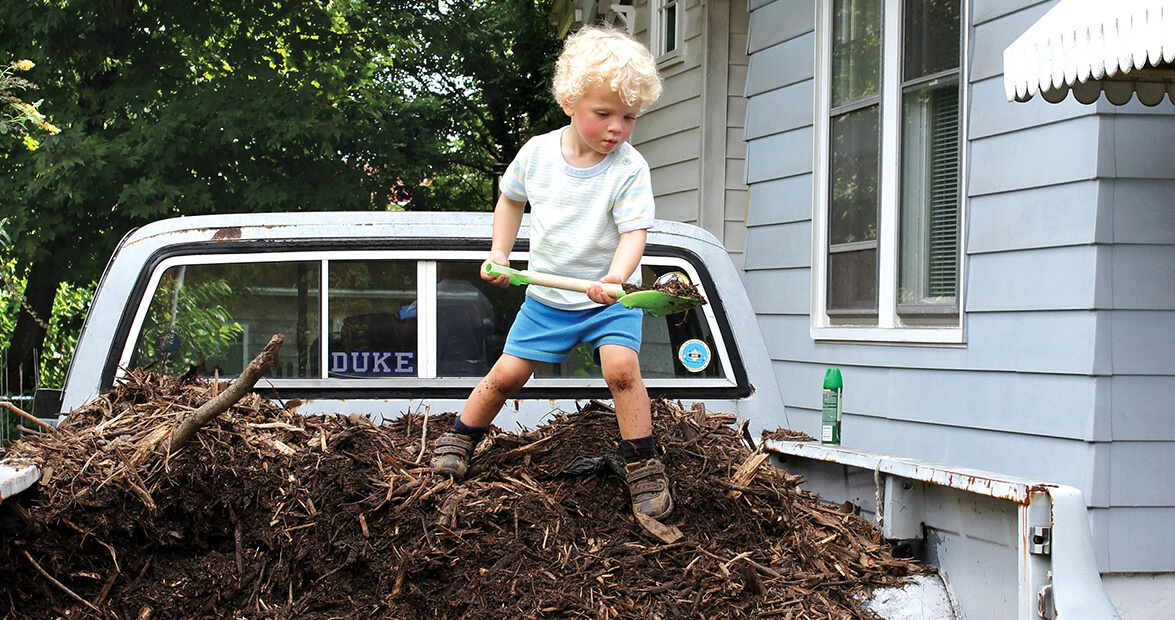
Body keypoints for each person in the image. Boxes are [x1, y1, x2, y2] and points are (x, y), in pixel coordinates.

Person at [430, 25, 671, 520]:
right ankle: (460, 437)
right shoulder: (538, 155)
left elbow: (634, 234)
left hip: (610, 299)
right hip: (548, 300)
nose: (616, 129)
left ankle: (644, 466)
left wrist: (617, 278)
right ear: (570, 102)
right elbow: (510, 199)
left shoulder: (629, 169)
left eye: (628, 118)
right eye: (603, 114)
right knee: (507, 376)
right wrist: (499, 251)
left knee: (621, 372)